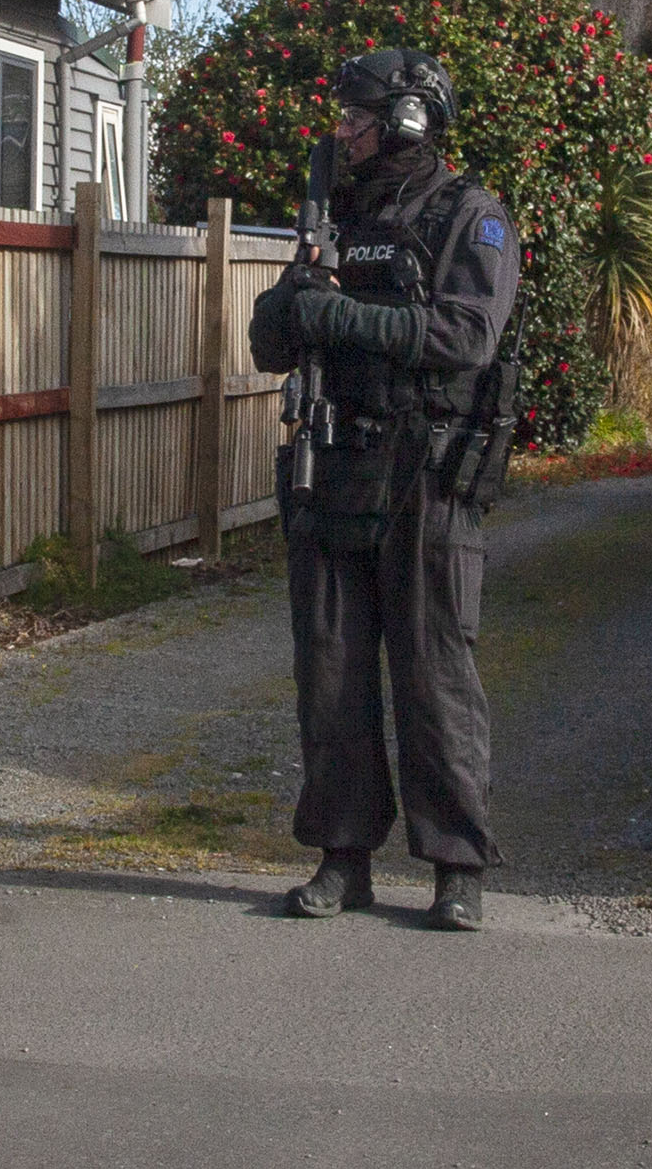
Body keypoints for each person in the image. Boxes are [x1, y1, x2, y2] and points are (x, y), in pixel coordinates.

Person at [249, 48, 520, 931]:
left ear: (407, 118)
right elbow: (270, 342)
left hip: (428, 471)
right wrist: (292, 304)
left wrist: (344, 315)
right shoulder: (332, 218)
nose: (343, 129)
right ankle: (343, 855)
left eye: (358, 115)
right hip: (335, 464)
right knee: (330, 669)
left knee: (434, 671)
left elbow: (465, 334)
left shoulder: (468, 217)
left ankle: (457, 867)